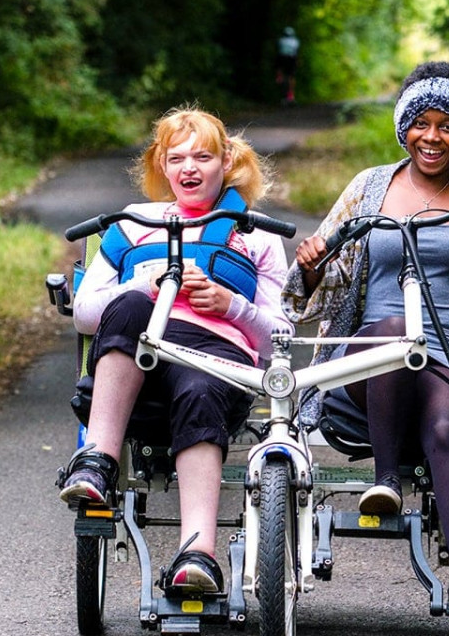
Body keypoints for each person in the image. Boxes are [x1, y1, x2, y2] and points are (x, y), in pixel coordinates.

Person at [285, 61, 449, 607]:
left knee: (446, 427)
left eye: (447, 127)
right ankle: (385, 478)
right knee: (391, 331)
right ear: (404, 126)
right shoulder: (369, 187)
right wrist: (314, 261)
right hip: (368, 353)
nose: (431, 137)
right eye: (421, 123)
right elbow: (317, 283)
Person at [58, 107, 292, 596]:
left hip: (214, 362)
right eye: (177, 157)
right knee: (124, 305)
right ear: (161, 165)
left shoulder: (259, 234)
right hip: (137, 357)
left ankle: (197, 552)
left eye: (202, 156)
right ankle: (96, 462)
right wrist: (144, 282)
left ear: (226, 161)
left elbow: (279, 340)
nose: (189, 168)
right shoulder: (134, 225)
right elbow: (84, 313)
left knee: (199, 389)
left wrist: (232, 306)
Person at [275, 26, 300, 104]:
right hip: (291, 59)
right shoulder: (295, 41)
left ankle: (279, 77)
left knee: (280, 69)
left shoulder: (280, 40)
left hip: (282, 58)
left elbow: (278, 51)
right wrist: (297, 61)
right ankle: (291, 95)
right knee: (291, 77)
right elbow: (296, 52)